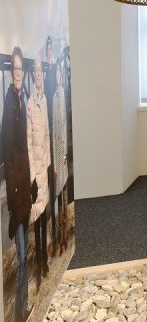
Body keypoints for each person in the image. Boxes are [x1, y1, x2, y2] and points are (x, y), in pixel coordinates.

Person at [2, 47, 32, 322]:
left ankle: (24, 303)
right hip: (16, 189)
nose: (18, 73)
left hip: (25, 189)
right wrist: (12, 190)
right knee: (21, 255)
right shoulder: (10, 101)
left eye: (21, 68)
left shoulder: (24, 98)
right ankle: (21, 311)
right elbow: (8, 149)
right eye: (15, 69)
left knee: (25, 251)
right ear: (11, 73)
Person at [27, 55, 51, 288]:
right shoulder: (30, 104)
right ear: (32, 75)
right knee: (37, 213)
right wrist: (32, 175)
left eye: (39, 71)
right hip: (36, 171)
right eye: (34, 72)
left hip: (45, 165)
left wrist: (49, 163)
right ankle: (38, 264)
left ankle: (44, 261)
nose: (37, 75)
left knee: (44, 215)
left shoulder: (43, 100)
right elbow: (27, 142)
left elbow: (47, 135)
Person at [43, 36, 58, 256]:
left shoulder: (54, 76)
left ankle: (54, 233)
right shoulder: (47, 78)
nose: (49, 53)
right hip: (46, 139)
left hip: (54, 137)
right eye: (47, 51)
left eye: (51, 50)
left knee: (54, 189)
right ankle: (50, 233)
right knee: (48, 189)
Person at [52, 60, 69, 253]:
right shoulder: (53, 97)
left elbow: (63, 125)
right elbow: (53, 129)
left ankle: (65, 236)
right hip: (57, 154)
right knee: (58, 194)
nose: (57, 75)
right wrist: (56, 162)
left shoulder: (62, 93)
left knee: (64, 195)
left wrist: (64, 153)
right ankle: (59, 237)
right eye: (55, 72)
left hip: (62, 153)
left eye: (59, 72)